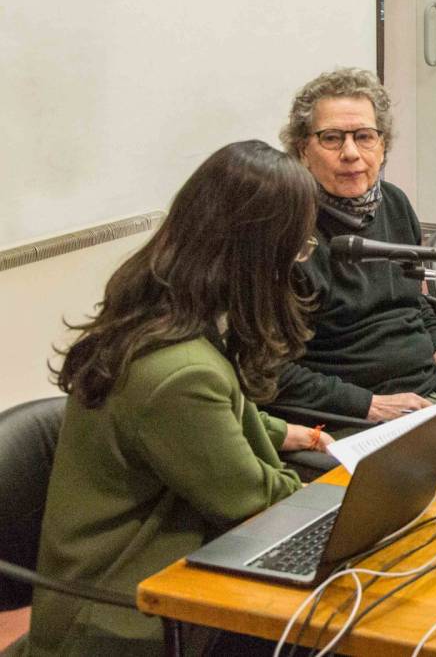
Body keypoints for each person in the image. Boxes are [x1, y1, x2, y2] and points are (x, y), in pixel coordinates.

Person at [27, 141, 331, 657]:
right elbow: (254, 503)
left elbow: (205, 424)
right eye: (296, 248)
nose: (297, 263)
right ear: (257, 254)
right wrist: (330, 500)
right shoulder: (182, 373)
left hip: (150, 582)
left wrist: (283, 433)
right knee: (335, 624)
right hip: (124, 619)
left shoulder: (163, 320)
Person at [275, 69, 436, 421]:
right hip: (348, 417)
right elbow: (268, 369)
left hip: (429, 392)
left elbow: (413, 301)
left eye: (364, 136)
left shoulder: (394, 203)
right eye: (332, 138)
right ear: (303, 150)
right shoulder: (284, 229)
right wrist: (368, 405)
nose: (351, 153)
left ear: (382, 146)